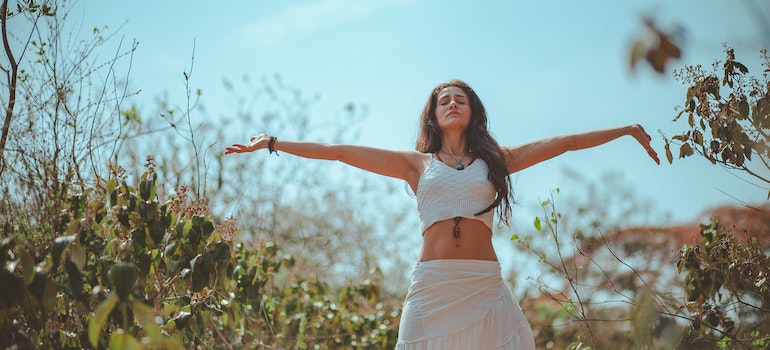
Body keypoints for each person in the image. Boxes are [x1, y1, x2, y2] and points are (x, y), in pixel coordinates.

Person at [225, 79, 660, 349]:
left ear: (473, 112)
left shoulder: (497, 160)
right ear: (433, 114)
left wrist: (623, 130)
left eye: (461, 100)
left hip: (482, 283)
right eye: (444, 100)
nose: (452, 104)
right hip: (433, 284)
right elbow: (338, 152)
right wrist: (273, 143)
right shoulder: (415, 164)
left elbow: (564, 142)